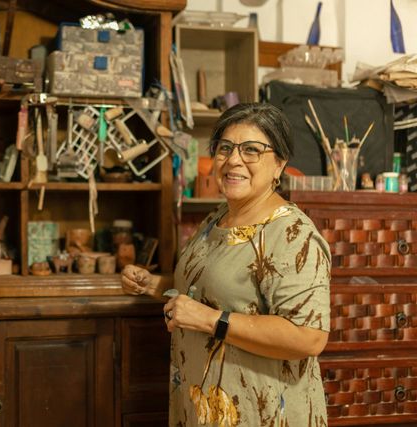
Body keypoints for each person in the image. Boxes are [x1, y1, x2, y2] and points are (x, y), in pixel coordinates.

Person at [121, 103, 330, 427]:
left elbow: (308, 338)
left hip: (263, 413)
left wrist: (211, 321)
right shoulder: (216, 218)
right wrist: (154, 284)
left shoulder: (292, 235)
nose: (234, 160)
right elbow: (208, 292)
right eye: (225, 148)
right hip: (204, 404)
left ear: (279, 164)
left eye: (251, 150)